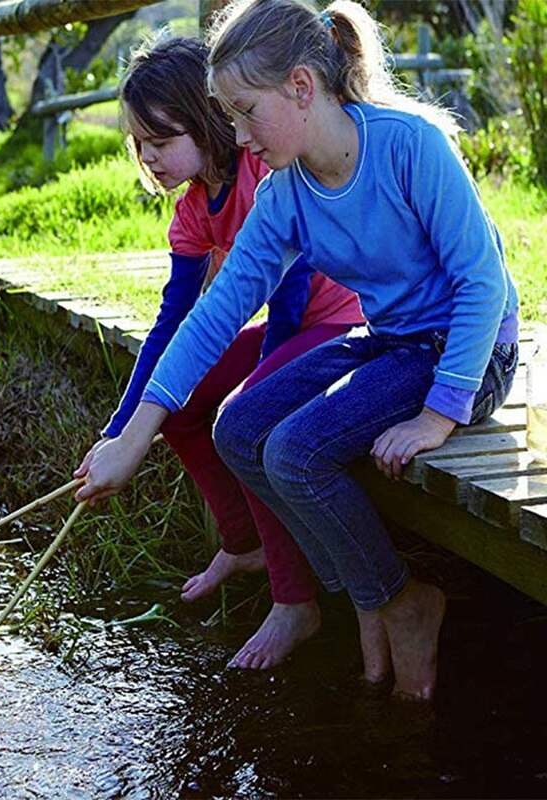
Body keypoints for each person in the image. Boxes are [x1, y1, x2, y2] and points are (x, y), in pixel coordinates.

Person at [76, 0, 519, 700]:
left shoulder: (411, 146)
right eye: (228, 116)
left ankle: (402, 602)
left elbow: (482, 284)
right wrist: (133, 437)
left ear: (303, 87)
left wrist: (439, 415)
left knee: (295, 450)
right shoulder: (287, 192)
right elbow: (213, 315)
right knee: (239, 428)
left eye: (247, 112)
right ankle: (369, 598)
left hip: (470, 353)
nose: (239, 135)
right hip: (392, 342)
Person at [74, 34, 364, 669]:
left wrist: (256, 384)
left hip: (341, 326)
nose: (149, 158)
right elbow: (171, 327)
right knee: (178, 408)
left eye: (163, 139)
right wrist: (121, 432)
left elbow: (290, 303)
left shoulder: (264, 176)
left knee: (244, 416)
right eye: (140, 144)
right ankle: (242, 542)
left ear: (206, 120)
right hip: (293, 331)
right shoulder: (190, 214)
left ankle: (297, 602)